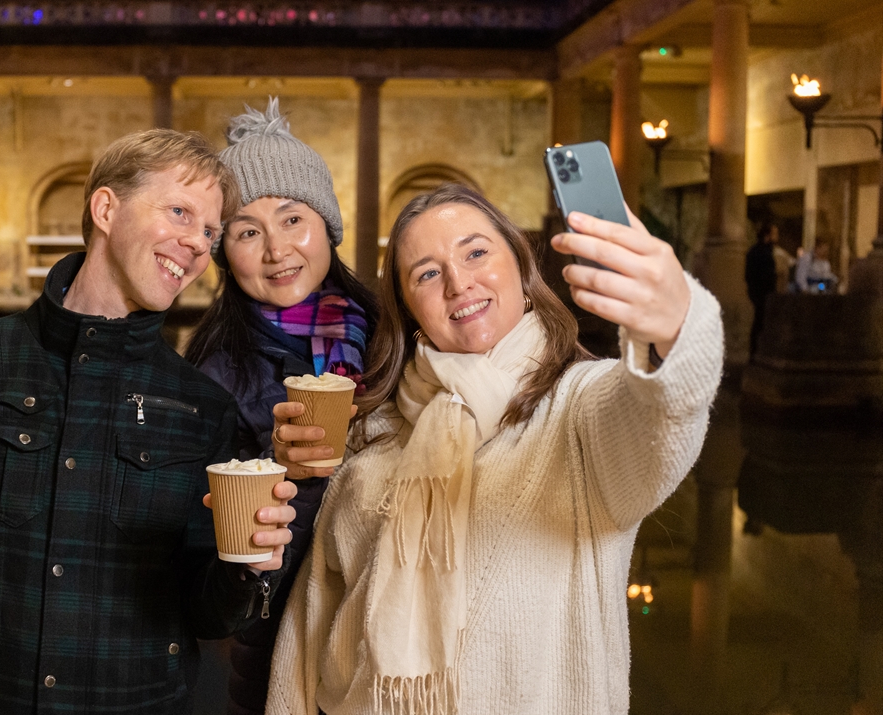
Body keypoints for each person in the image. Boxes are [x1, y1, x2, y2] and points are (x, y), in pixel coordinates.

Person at [0, 129, 300, 715]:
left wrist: (246, 565)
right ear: (106, 209)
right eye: (180, 212)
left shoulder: (201, 406)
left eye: (209, 232)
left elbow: (206, 612)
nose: (196, 245)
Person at [267, 183, 724, 714]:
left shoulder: (578, 407)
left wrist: (674, 329)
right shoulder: (374, 429)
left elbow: (660, 418)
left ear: (523, 274)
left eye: (476, 252)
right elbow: (312, 618)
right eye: (428, 273)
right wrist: (296, 482)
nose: (459, 282)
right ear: (412, 309)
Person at [185, 99, 378, 715]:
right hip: (283, 645)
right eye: (246, 231)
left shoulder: (394, 337)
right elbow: (205, 568)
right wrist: (275, 469)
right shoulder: (215, 370)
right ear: (224, 252)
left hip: (399, 643)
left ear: (327, 226)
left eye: (293, 219)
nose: (276, 249)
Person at [745, 222, 779, 354]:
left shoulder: (757, 251)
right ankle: (756, 352)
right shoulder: (762, 253)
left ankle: (756, 352)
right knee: (760, 322)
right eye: (774, 234)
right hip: (762, 292)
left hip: (759, 292)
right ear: (767, 235)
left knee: (760, 321)